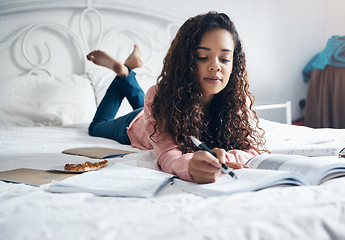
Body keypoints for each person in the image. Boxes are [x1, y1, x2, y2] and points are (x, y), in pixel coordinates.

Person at [87, 11, 265, 183]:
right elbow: (168, 156)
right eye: (203, 57)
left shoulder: (238, 99)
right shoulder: (159, 97)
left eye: (225, 59)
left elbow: (254, 150)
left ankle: (128, 71)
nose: (215, 66)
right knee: (96, 127)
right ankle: (123, 73)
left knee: (148, 101)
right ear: (186, 60)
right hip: (136, 123)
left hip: (154, 111)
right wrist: (189, 166)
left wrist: (224, 158)